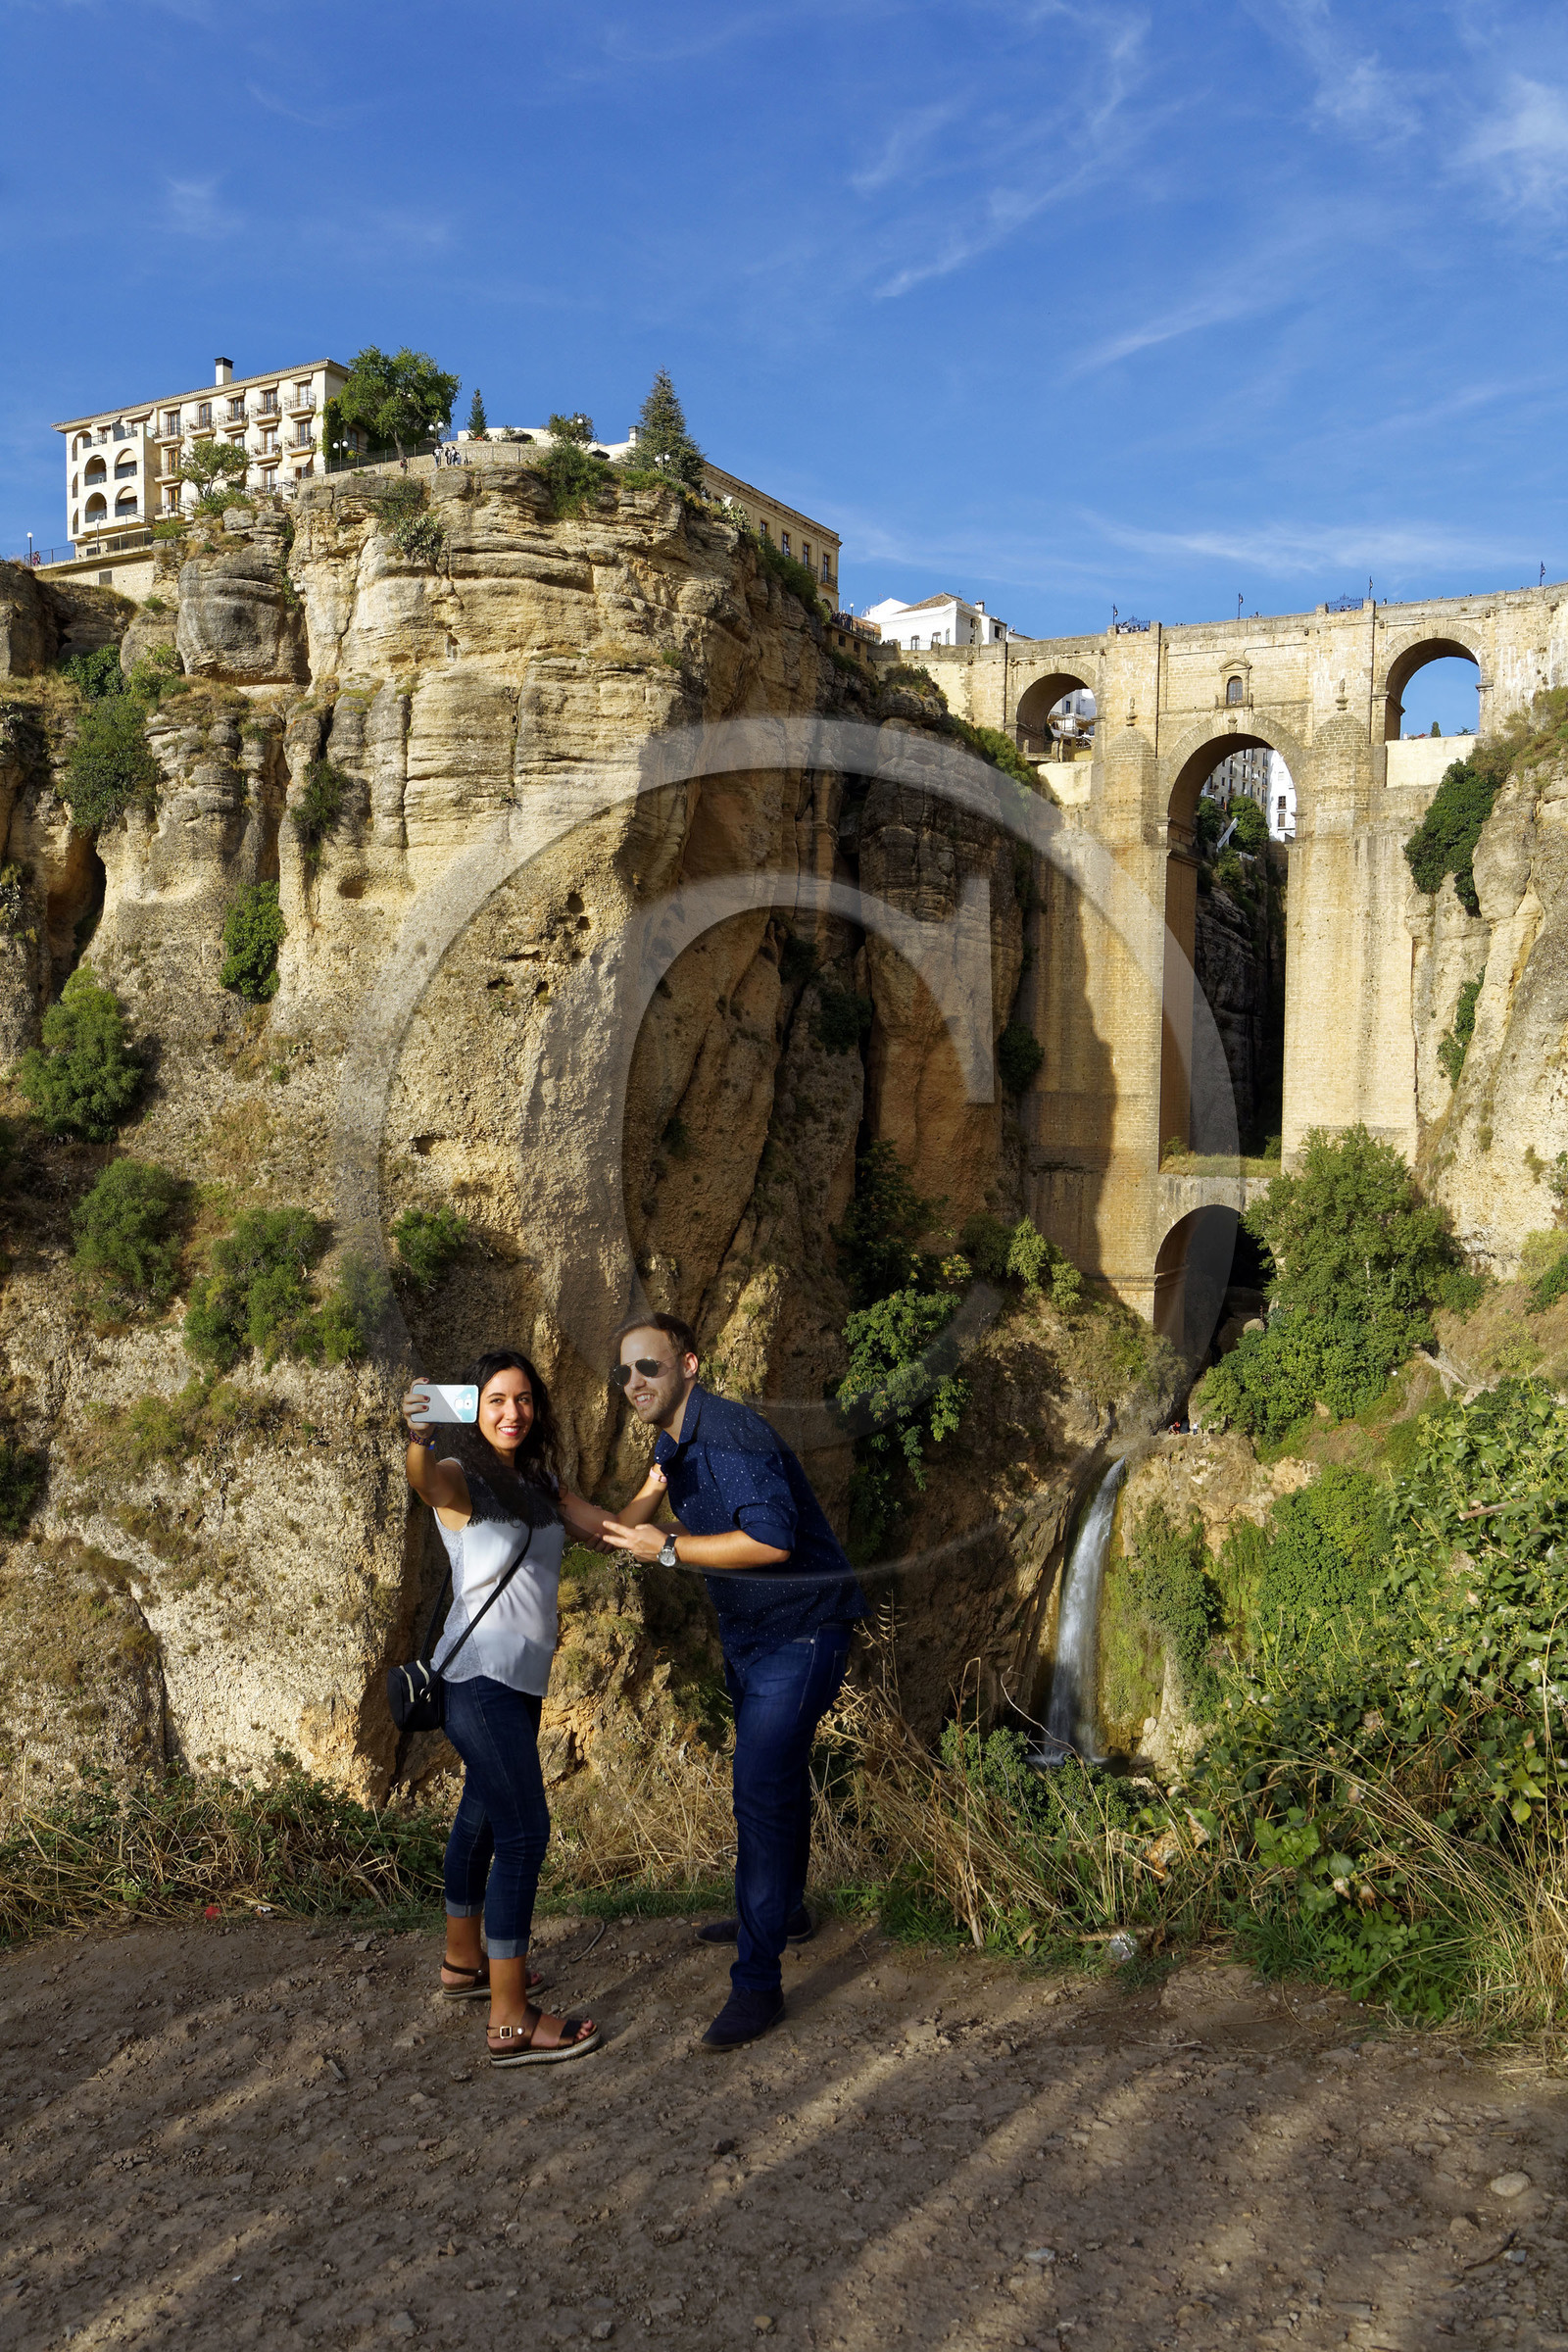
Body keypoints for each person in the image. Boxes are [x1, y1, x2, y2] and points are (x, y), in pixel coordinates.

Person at [600, 1313, 865, 2050]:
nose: (634, 1384)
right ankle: (784, 1912)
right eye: (623, 1373)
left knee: (758, 1791)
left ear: (689, 1364)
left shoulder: (729, 1433)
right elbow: (627, 1534)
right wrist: (608, 1508)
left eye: (647, 1367)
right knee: (775, 1784)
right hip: (753, 1640)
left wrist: (672, 1550)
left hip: (803, 1631)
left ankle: (758, 1985)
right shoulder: (675, 1442)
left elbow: (773, 1542)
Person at [401, 1348, 659, 2067]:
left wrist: (660, 1479)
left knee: (481, 1819)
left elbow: (609, 1532)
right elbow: (424, 1482)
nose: (511, 1413)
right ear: (474, 1412)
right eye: (494, 1402)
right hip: (477, 1680)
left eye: (522, 1401)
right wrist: (419, 1439)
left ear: (535, 1408)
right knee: (524, 1835)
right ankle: (510, 2021)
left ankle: (464, 1968)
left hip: (519, 1686)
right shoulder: (463, 1478)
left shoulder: (542, 1484)